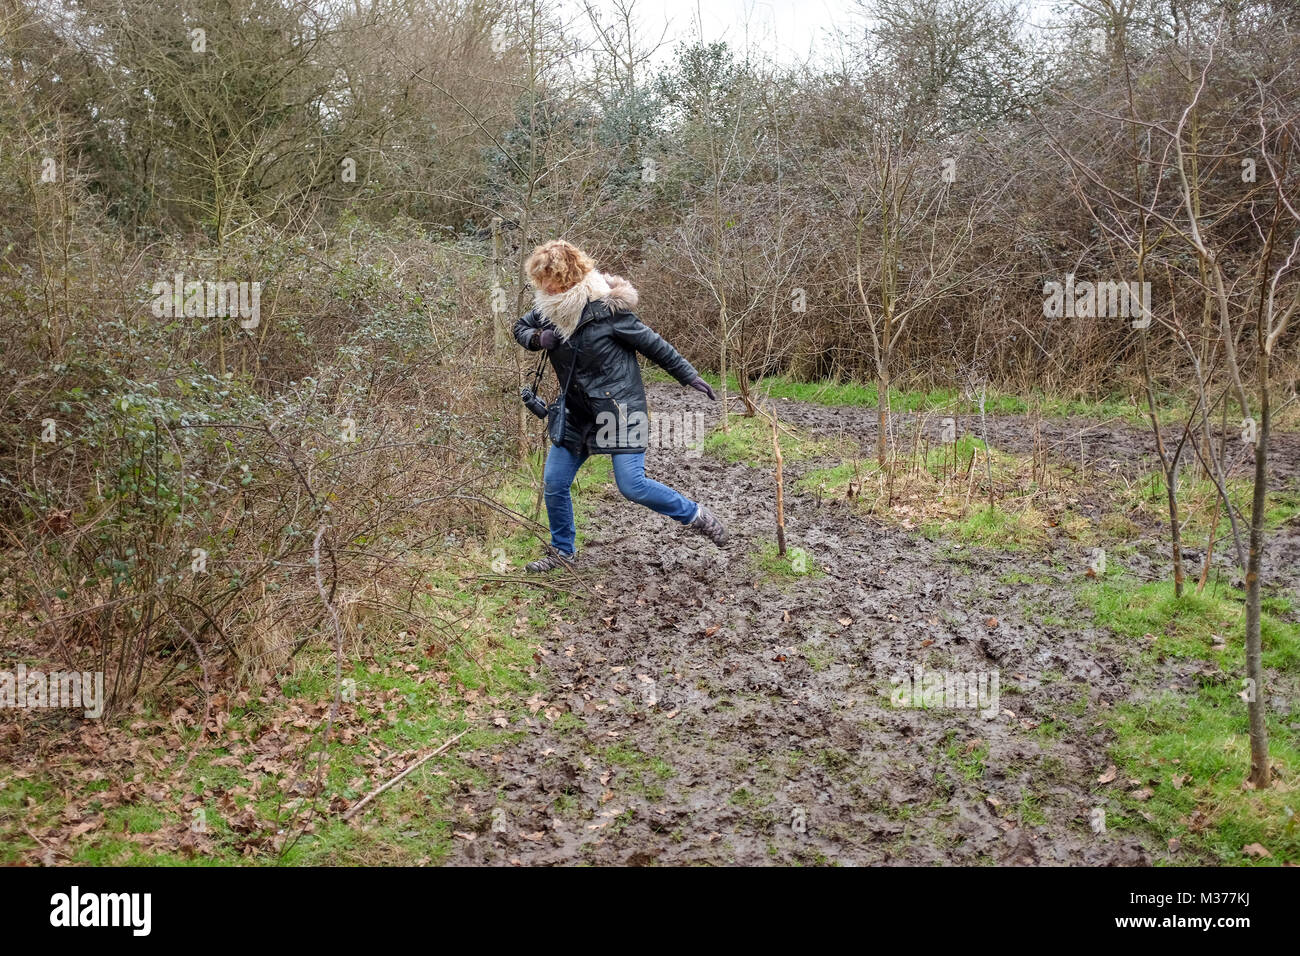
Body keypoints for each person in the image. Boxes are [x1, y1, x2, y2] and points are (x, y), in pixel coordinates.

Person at [513, 239, 728, 572]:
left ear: (569, 276)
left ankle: (695, 514)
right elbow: (520, 327)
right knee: (555, 482)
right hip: (576, 411)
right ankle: (562, 551)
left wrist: (689, 376)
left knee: (632, 486)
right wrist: (537, 339)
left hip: (621, 411)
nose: (544, 286)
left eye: (550, 278)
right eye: (540, 279)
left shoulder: (607, 310)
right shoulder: (547, 309)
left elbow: (655, 345)